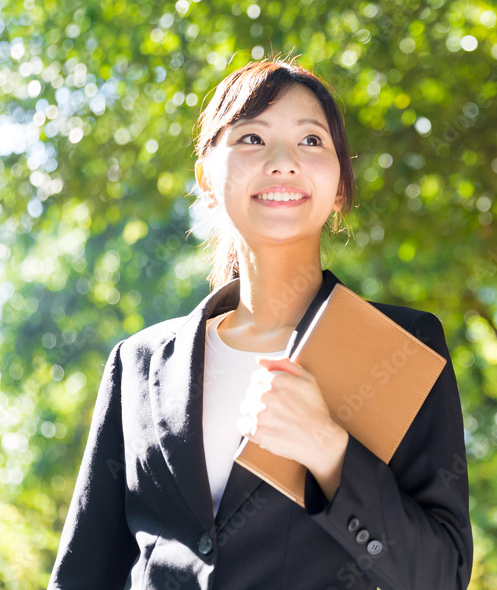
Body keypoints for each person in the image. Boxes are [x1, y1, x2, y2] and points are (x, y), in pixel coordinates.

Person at [48, 57, 474, 589]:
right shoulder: (139, 365)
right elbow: (83, 572)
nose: (282, 161)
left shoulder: (402, 347)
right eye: (251, 138)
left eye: (312, 141)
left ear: (340, 183)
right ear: (206, 177)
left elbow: (441, 576)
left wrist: (329, 451)